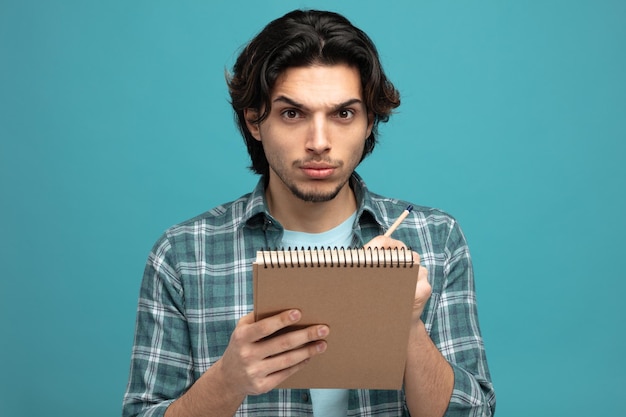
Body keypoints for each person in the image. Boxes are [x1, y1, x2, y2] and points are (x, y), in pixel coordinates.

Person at [122, 9, 496, 417]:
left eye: (343, 114)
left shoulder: (437, 240)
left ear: (369, 122)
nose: (319, 142)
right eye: (292, 113)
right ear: (254, 121)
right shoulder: (183, 255)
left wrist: (404, 324)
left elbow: (473, 412)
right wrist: (228, 380)